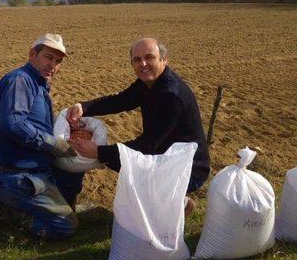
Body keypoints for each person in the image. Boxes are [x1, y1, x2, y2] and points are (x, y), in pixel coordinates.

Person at [67, 37, 210, 214]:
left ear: (164, 59)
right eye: (137, 60)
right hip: (164, 153)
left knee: (120, 161)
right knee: (118, 160)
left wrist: (99, 152)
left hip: (188, 167)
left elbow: (148, 145)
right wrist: (84, 107)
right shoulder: (148, 83)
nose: (143, 64)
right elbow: (121, 100)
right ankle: (174, 201)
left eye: (149, 57)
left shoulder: (171, 95)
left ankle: (175, 200)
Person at [0, 33, 82, 241]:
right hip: (18, 177)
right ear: (33, 54)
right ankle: (4, 212)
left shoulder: (38, 84)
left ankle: (6, 205)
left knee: (72, 178)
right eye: (49, 57)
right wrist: (52, 144)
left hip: (36, 172)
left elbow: (33, 123)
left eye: (58, 61)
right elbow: (13, 125)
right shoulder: (20, 81)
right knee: (67, 227)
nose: (54, 65)